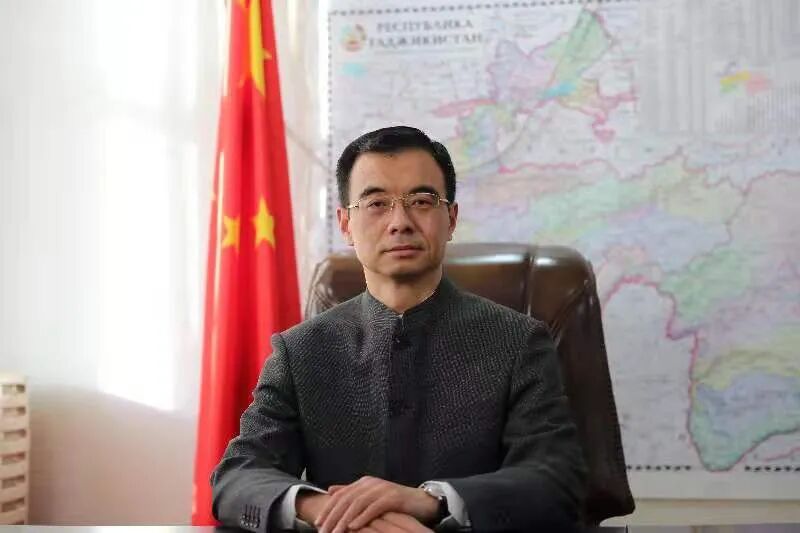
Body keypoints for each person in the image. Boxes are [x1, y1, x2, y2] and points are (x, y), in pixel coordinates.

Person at [210, 126, 587, 533]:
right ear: (345, 224)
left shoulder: (518, 342)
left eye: (421, 202)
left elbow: (557, 480)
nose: (400, 222)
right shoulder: (300, 351)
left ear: (451, 218)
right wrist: (325, 509)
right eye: (376, 203)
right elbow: (237, 476)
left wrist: (431, 501)